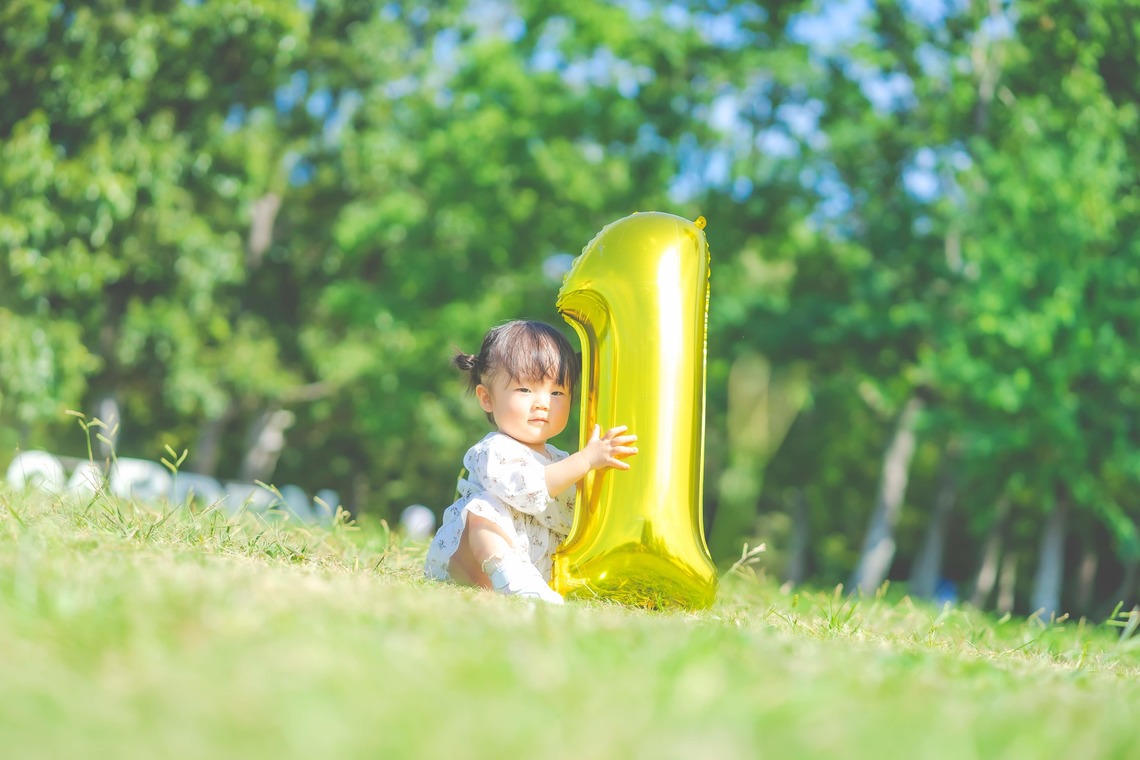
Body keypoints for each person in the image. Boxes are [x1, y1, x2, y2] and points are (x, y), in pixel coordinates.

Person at [424, 320, 638, 604]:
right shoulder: (493, 450)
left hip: (535, 569)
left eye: (557, 392)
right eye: (525, 390)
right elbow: (529, 490)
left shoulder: (562, 461)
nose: (543, 403)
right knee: (481, 510)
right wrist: (586, 459)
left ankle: (527, 586)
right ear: (487, 398)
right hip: (474, 567)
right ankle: (510, 579)